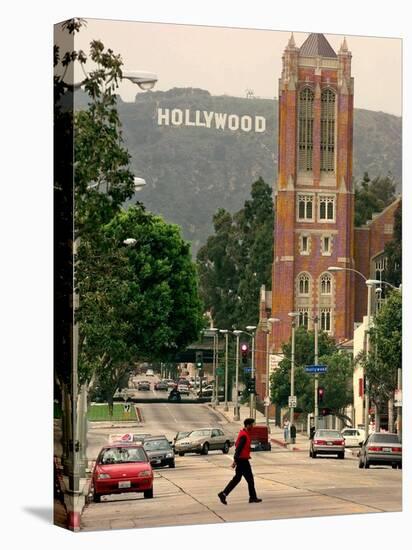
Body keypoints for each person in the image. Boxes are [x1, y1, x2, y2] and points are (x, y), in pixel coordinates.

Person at [218, 418, 262, 505]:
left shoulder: (245, 434)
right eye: (252, 425)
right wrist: (235, 460)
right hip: (242, 461)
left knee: (237, 479)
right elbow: (238, 449)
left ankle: (223, 494)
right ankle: (252, 497)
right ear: (248, 425)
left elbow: (243, 448)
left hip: (242, 460)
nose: (253, 426)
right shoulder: (244, 436)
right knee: (250, 479)